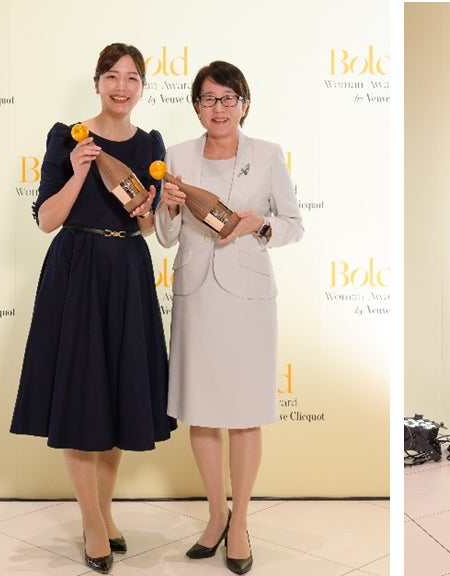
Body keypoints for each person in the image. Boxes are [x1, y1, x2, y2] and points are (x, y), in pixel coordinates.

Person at [9, 42, 173, 575]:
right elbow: (46, 220)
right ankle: (93, 523)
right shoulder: (68, 137)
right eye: (112, 76)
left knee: (118, 396)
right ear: (97, 82)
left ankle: (103, 512)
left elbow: (146, 228)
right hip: (76, 270)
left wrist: (147, 209)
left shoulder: (150, 144)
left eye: (131, 78)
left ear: (142, 87)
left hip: (127, 270)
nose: (121, 87)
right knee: (82, 397)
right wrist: (79, 171)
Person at [156, 60, 305, 575]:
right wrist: (167, 207)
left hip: (247, 300)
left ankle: (240, 521)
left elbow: (294, 225)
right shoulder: (176, 156)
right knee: (200, 411)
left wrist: (260, 225)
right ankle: (215, 515)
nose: (218, 108)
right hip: (196, 295)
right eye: (208, 98)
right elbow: (166, 236)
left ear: (244, 103)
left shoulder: (267, 154)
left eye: (227, 98)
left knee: (244, 413)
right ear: (196, 105)